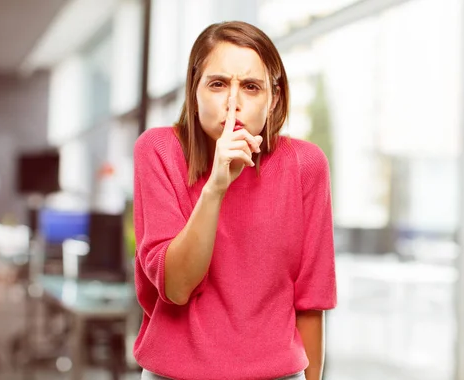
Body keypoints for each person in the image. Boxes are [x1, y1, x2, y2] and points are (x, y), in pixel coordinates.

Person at [133, 20, 337, 380]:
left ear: (273, 100)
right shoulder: (158, 150)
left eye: (251, 87)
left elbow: (311, 300)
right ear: (194, 93)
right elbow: (177, 286)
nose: (233, 102)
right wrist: (215, 186)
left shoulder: (306, 164)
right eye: (217, 84)